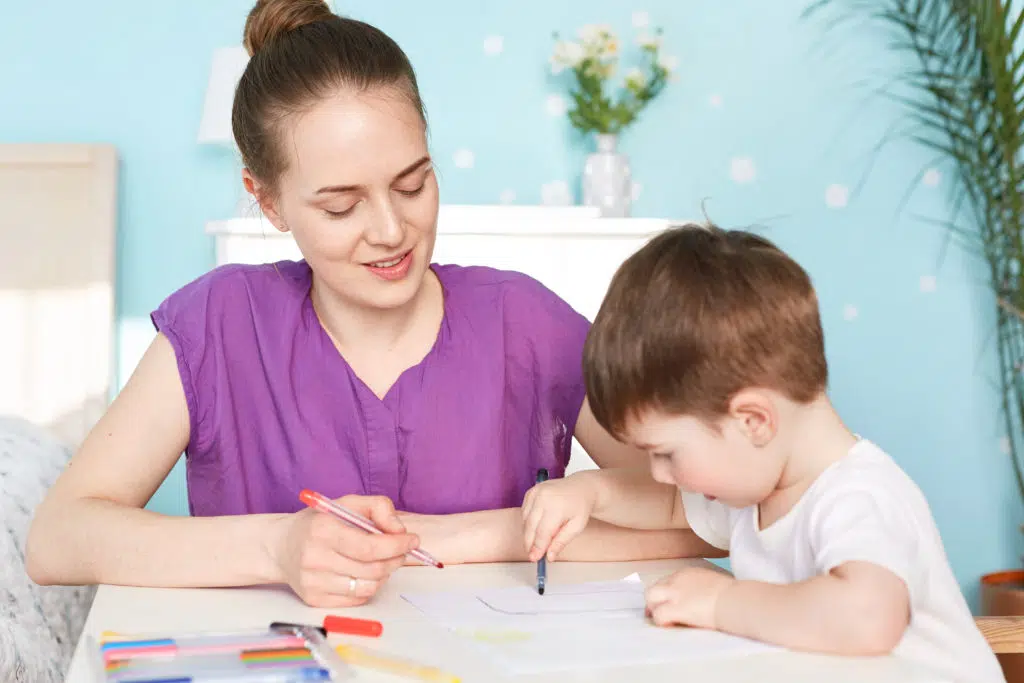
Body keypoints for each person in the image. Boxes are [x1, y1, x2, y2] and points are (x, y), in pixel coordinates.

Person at [24, 0, 714, 609]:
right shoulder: (219, 322)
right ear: (267, 200)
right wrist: (276, 546)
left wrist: (463, 535)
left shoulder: (524, 320)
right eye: (342, 204)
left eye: (412, 184)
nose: (390, 230)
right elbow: (58, 538)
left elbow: (706, 514)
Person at [521, 224, 1004, 683]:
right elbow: (670, 506)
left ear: (753, 421)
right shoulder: (755, 488)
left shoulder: (858, 494)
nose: (661, 474)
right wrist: (590, 492)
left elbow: (867, 618)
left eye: (666, 453)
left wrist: (722, 603)